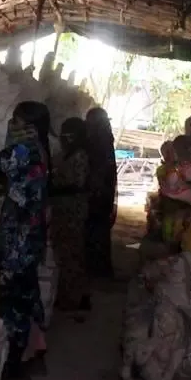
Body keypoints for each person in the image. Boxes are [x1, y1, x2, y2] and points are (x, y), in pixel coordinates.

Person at [0, 101, 50, 380]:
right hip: (30, 234)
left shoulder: (23, 149)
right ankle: (33, 352)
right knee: (26, 293)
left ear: (29, 126)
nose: (12, 125)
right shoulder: (40, 149)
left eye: (16, 120)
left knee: (12, 299)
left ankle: (13, 364)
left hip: (18, 236)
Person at [50, 117, 91, 317]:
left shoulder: (80, 155)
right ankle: (69, 295)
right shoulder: (67, 153)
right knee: (64, 253)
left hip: (72, 210)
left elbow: (78, 183)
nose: (63, 138)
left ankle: (73, 298)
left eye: (67, 134)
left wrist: (54, 188)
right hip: (63, 209)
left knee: (72, 254)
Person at [85, 107, 117, 278]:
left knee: (94, 229)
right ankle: (100, 267)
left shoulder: (96, 141)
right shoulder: (105, 138)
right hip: (104, 191)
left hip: (96, 192)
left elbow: (98, 169)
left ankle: (95, 267)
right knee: (100, 230)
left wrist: (92, 189)